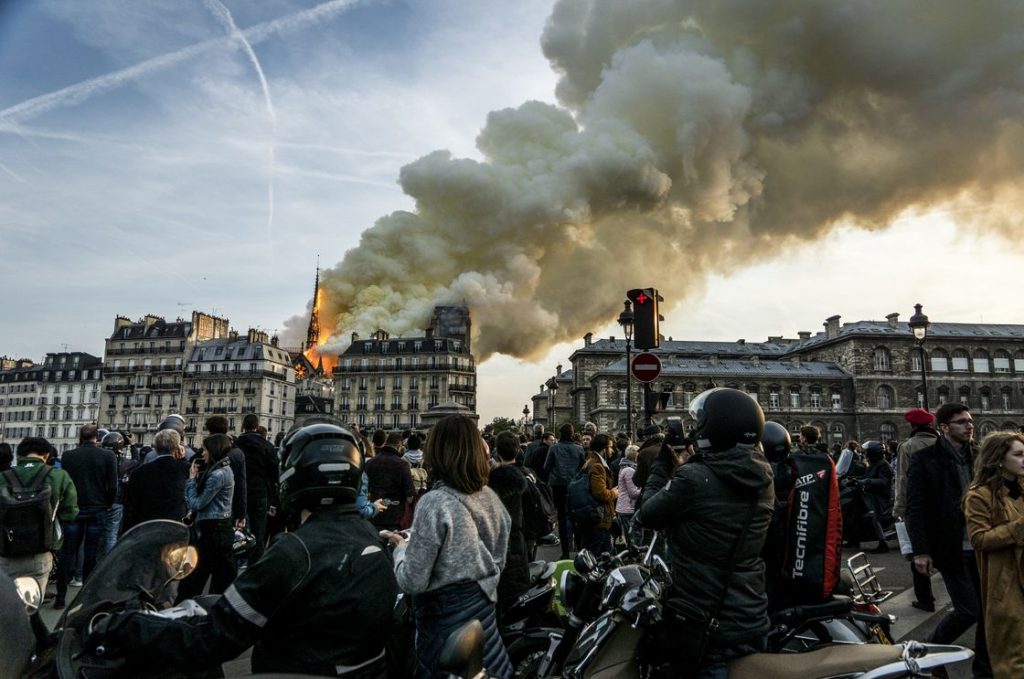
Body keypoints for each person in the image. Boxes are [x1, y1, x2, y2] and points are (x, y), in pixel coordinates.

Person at [88, 423, 398, 676]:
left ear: (294, 474)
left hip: (292, 669)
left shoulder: (295, 551)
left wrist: (125, 626)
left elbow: (216, 635)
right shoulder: (371, 539)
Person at [636, 388, 774, 678]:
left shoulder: (695, 478)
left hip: (704, 620)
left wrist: (662, 464)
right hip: (749, 613)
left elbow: (647, 514)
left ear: (715, 428)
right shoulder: (763, 476)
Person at [383, 415, 512, 678]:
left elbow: (412, 581)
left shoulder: (434, 502)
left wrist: (400, 548)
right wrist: (416, 534)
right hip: (486, 632)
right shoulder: (490, 499)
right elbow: (494, 557)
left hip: (445, 637)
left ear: (438, 451)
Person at [906, 403, 992, 677]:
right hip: (950, 545)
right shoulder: (925, 459)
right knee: (969, 611)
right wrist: (921, 551)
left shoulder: (980, 455)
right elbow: (916, 508)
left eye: (970, 421)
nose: (969, 426)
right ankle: (926, 653)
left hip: (983, 543)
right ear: (944, 427)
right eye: (961, 422)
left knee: (988, 612)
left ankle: (984, 670)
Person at [963, 432, 1024, 677]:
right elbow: (979, 539)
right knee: (1013, 655)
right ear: (999, 459)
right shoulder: (979, 495)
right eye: (1018, 455)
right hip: (1005, 581)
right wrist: (1018, 529)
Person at [0, 437, 78, 595]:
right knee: (32, 602)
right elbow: (70, 513)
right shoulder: (59, 476)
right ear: (47, 455)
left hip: (5, 551)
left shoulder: (3, 477)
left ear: (19, 455)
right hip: (40, 550)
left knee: (5, 603)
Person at [55, 424, 117, 609]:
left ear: (80, 437)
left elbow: (65, 483)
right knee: (91, 551)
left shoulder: (68, 456)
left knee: (68, 552)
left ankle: (60, 596)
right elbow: (113, 486)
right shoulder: (108, 456)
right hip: (97, 507)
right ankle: (86, 596)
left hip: (75, 507)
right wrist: (107, 503)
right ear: (97, 437)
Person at [177, 434, 236, 601]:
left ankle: (182, 606)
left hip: (213, 531)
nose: (202, 453)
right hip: (218, 529)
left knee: (195, 576)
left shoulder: (218, 474)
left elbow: (197, 503)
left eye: (204, 449)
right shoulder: (222, 470)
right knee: (220, 579)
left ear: (213, 450)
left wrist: (191, 481)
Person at [893, 407, 939, 612]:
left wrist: (899, 508)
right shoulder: (942, 443)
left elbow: (902, 479)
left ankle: (925, 599)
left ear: (912, 426)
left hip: (917, 505)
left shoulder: (908, 446)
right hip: (943, 504)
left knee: (917, 551)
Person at [488, 431, 531, 619]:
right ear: (518, 449)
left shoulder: (489, 481)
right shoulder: (526, 475)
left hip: (496, 546)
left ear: (497, 451)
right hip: (517, 540)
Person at [120, 428, 188, 534]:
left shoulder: (139, 472)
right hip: (175, 526)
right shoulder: (185, 469)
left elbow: (131, 507)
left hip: (146, 526)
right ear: (177, 447)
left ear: (155, 447)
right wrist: (182, 459)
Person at [235, 413, 280, 562]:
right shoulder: (267, 446)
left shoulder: (236, 445)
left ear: (243, 426)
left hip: (238, 491)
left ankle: (238, 561)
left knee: (237, 530)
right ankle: (255, 565)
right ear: (256, 426)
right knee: (259, 532)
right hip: (260, 491)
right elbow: (274, 473)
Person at [543, 423, 585, 559]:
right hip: (574, 486)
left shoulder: (554, 448)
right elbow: (583, 468)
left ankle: (565, 551)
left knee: (562, 518)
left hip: (558, 485)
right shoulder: (579, 449)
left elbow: (546, 467)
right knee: (576, 518)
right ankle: (579, 551)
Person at [576, 433, 618, 555]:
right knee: (595, 554)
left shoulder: (590, 461)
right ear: (604, 448)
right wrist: (614, 493)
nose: (612, 450)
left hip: (595, 517)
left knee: (604, 554)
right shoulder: (598, 466)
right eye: (610, 447)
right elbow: (600, 493)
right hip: (598, 518)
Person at [365, 431, 415, 531]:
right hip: (395, 516)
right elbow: (410, 495)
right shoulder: (402, 465)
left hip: (373, 512)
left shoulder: (370, 462)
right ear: (399, 446)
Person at [205, 415, 247, 531]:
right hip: (229, 506)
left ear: (209, 430)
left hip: (207, 506)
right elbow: (241, 485)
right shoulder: (237, 452)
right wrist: (241, 513)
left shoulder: (205, 451)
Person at [859, 440, 894, 554]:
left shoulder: (883, 465)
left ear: (873, 453)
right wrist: (855, 479)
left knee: (875, 519)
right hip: (873, 494)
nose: (865, 454)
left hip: (881, 496)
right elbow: (867, 475)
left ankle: (883, 544)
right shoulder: (874, 464)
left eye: (867, 452)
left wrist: (867, 481)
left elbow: (884, 481)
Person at [614, 445, 640, 548]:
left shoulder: (625, 468)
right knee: (633, 538)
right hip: (628, 507)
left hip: (624, 507)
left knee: (630, 537)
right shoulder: (629, 470)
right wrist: (644, 489)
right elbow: (633, 493)